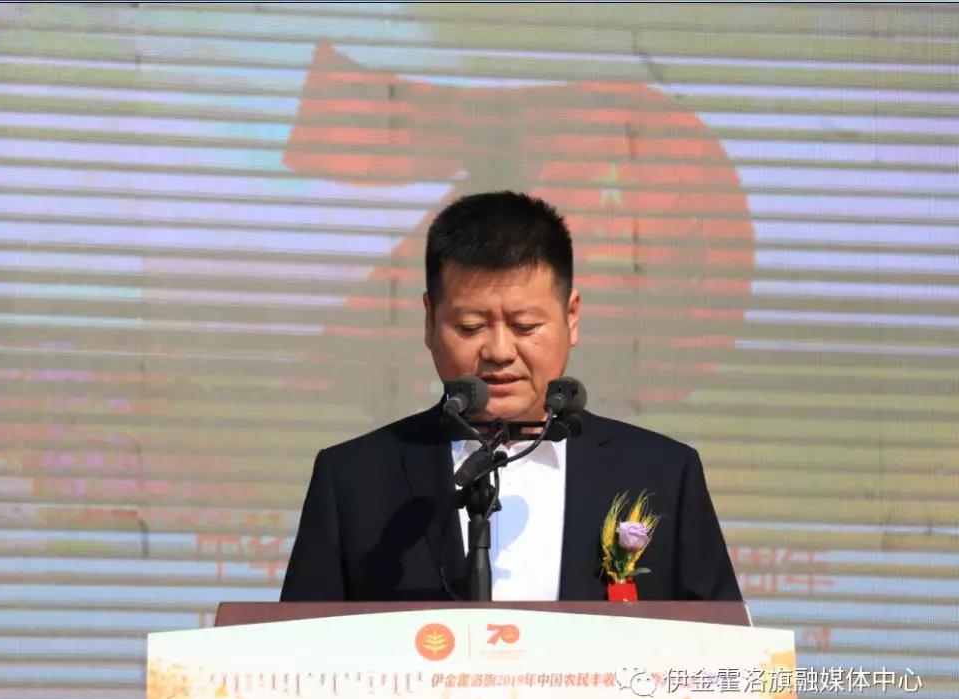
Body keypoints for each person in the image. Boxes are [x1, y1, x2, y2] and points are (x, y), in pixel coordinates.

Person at [281, 191, 741, 602]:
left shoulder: (662, 474)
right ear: (429, 320)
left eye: (525, 326)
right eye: (470, 327)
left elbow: (723, 651)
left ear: (572, 317)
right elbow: (296, 654)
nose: (499, 352)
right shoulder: (353, 479)